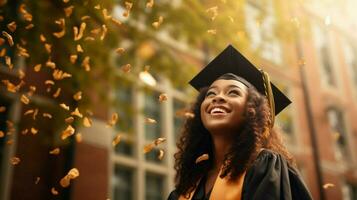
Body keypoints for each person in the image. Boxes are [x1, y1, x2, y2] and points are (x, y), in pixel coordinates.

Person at [167, 45, 313, 200]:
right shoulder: (185, 189)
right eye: (211, 93)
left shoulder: (263, 166)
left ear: (251, 111)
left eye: (233, 92)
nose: (218, 97)